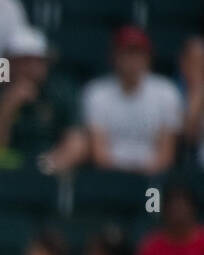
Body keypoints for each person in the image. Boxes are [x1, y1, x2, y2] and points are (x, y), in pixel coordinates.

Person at [78, 26, 182, 175]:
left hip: (153, 177)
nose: (133, 60)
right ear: (114, 56)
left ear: (148, 57)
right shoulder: (96, 92)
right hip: (109, 176)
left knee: (155, 194)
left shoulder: (166, 92)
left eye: (138, 53)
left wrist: (143, 173)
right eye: (127, 53)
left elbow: (166, 154)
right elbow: (99, 154)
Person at [0, 27, 79, 171]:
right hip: (5, 173)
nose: (30, 68)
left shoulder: (61, 91)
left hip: (49, 168)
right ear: (10, 64)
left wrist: (46, 167)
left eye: (36, 61)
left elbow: (75, 141)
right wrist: (7, 107)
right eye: (23, 61)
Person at [177, 36, 204, 169]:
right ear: (183, 63)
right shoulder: (170, 92)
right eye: (195, 62)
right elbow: (188, 137)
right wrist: (198, 88)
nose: (199, 69)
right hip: (186, 168)